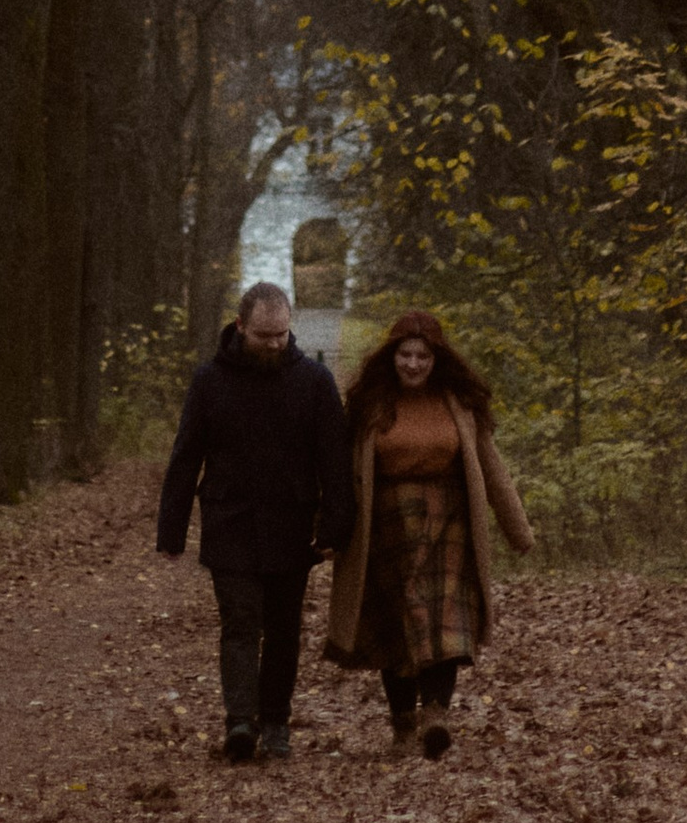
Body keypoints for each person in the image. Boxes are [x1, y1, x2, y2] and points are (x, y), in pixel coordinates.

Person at [156, 279, 355, 764]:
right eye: (263, 335)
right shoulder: (210, 381)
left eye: (281, 335)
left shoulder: (314, 382)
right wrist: (172, 530)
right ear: (241, 326)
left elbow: (335, 461)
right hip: (231, 521)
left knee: (285, 629)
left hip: (292, 523)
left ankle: (276, 723)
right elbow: (187, 456)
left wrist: (335, 527)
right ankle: (240, 721)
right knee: (241, 622)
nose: (273, 344)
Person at [326, 307, 534, 755]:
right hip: (385, 525)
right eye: (406, 355)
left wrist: (518, 530)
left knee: (446, 620)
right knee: (396, 624)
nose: (414, 364)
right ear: (392, 356)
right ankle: (403, 722)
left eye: (423, 356)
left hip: (449, 521)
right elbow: (342, 473)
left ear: (437, 359)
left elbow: (491, 468)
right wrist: (326, 527)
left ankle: (436, 714)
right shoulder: (369, 405)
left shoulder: (460, 405)